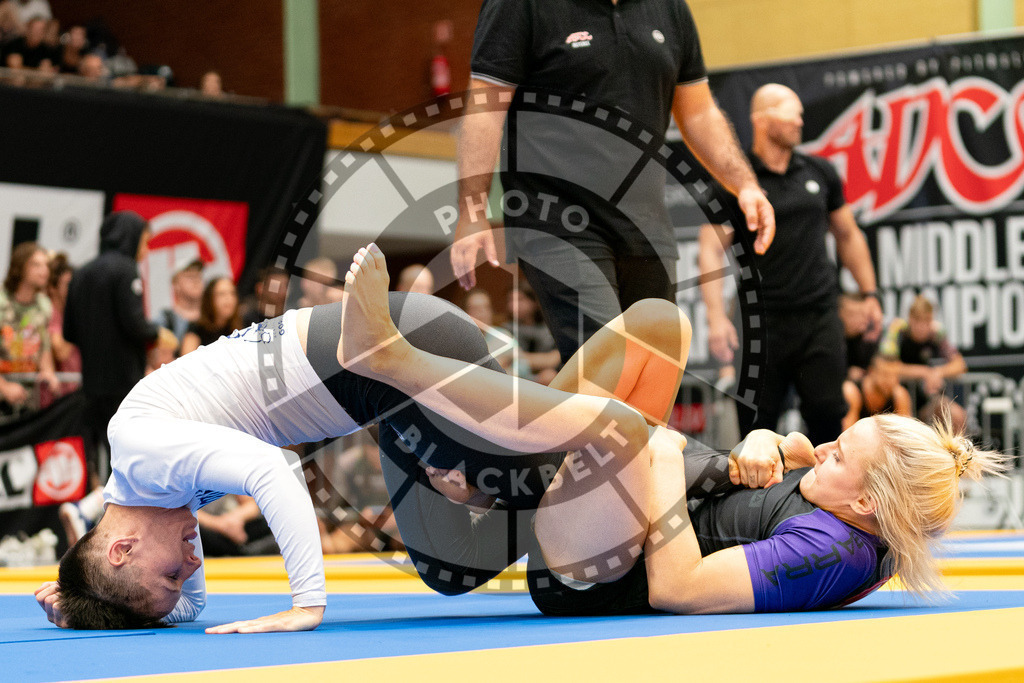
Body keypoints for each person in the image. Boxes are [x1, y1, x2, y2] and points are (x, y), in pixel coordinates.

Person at [35, 244, 760, 632]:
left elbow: (270, 471)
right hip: (385, 388)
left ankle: (631, 434)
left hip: (390, 357)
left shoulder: (144, 452)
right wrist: (80, 594)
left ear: (124, 545)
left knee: (491, 522)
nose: (192, 569)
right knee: (468, 546)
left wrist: (307, 601)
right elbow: (184, 606)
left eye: (170, 574)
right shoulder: (139, 485)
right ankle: (628, 400)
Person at [335, 244, 1004, 616]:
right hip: (603, 519)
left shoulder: (829, 554)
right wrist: (768, 440)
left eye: (839, 454)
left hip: (594, 575)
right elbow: (787, 467)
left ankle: (397, 362)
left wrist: (662, 461)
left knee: (638, 433)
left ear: (866, 504)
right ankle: (490, 477)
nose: (825, 444)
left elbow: (678, 589)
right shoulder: (852, 508)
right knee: (662, 324)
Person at [451, 0, 775, 364]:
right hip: (556, 219)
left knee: (653, 373)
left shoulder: (669, 8)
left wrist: (745, 184)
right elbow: (485, 106)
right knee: (606, 366)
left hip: (645, 224)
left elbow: (698, 112)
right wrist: (473, 209)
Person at [700, 83, 883, 445]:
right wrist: (716, 319)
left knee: (829, 416)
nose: (800, 120)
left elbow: (848, 235)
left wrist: (870, 293)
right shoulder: (736, 183)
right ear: (762, 119)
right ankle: (761, 503)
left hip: (818, 316)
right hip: (760, 323)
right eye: (791, 111)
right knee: (756, 428)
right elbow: (709, 248)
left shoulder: (819, 172)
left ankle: (826, 501)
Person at [63, 211, 176, 476]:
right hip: (124, 384)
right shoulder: (126, 269)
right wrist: (157, 333)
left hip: (91, 384)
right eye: (145, 241)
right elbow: (134, 324)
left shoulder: (81, 273)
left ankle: (93, 511)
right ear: (131, 237)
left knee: (103, 455)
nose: (146, 251)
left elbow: (69, 332)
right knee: (128, 460)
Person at [880, 294, 967, 431]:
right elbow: (886, 367)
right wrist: (924, 372)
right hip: (895, 401)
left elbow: (960, 365)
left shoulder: (937, 333)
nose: (921, 326)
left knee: (955, 415)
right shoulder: (897, 330)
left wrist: (937, 373)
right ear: (910, 318)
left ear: (931, 319)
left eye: (926, 321)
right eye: (917, 320)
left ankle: (956, 452)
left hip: (925, 402)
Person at [0, 241, 58, 412]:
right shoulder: (2, 302)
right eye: (36, 265)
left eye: (46, 265)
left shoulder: (43, 306)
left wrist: (48, 371)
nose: (44, 271)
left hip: (27, 397)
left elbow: (44, 343)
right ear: (19, 267)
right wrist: (3, 387)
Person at [39, 252, 80, 406]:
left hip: (74, 396)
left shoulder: (69, 313)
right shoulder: (48, 313)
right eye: (67, 285)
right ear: (52, 288)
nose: (73, 290)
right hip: (55, 400)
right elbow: (61, 352)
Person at [503, 285, 559, 384]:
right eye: (510, 300)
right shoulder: (506, 329)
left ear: (533, 302)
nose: (513, 305)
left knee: (549, 375)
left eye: (520, 300)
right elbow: (504, 360)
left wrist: (516, 357)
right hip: (517, 377)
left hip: (543, 377)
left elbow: (553, 360)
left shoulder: (549, 328)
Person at [841, 354, 911, 430]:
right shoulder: (852, 392)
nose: (891, 381)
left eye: (895, 375)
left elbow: (905, 434)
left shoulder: (899, 395)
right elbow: (847, 434)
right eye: (885, 375)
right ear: (872, 372)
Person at [179, 277, 241, 355]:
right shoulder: (196, 329)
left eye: (232, 293)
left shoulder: (241, 327)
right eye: (222, 294)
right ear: (210, 299)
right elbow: (186, 361)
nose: (229, 299)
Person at [155, 257, 204, 347]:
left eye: (198, 276)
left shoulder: (213, 316)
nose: (196, 281)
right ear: (176, 284)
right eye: (190, 276)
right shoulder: (165, 320)